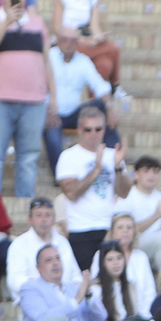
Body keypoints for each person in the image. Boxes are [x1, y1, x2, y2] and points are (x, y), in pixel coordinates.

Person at [0, 0, 54, 198]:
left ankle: (25, 208)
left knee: (29, 158)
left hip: (34, 101)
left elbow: (47, 60)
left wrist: (53, 97)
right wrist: (6, 22)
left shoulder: (38, 22)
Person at [55, 104, 129, 273]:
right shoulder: (69, 156)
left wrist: (117, 168)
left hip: (108, 228)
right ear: (79, 130)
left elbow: (124, 192)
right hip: (81, 229)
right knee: (85, 279)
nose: (94, 134)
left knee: (110, 280)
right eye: (88, 130)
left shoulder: (113, 155)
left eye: (98, 129)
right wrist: (96, 169)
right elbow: (72, 193)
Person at [42, 30, 116, 173]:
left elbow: (100, 87)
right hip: (49, 112)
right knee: (52, 135)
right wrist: (47, 110)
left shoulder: (83, 61)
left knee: (102, 107)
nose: (68, 44)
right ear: (57, 40)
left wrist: (110, 108)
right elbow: (36, 88)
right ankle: (60, 175)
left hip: (74, 113)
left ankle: (115, 157)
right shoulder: (48, 57)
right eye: (65, 39)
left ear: (78, 43)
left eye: (73, 40)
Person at [17, 244, 104, 321]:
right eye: (49, 260)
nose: (55, 263)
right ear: (38, 268)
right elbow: (42, 318)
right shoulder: (29, 289)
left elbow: (100, 317)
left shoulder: (73, 288)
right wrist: (77, 299)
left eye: (58, 258)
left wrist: (88, 295)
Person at [4, 195, 76, 296]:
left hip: (66, 299)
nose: (44, 219)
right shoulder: (19, 244)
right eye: (38, 215)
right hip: (35, 301)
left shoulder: (63, 242)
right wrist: (45, 290)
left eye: (48, 215)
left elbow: (75, 276)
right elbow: (15, 280)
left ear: (54, 218)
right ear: (30, 219)